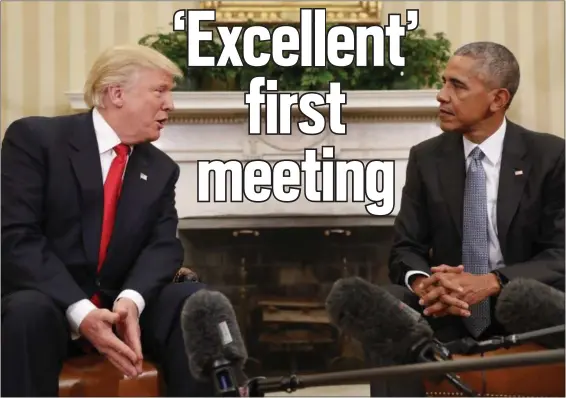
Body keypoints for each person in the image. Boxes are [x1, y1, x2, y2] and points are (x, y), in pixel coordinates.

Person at [1, 45, 214, 397]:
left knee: (195, 301)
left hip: (120, 310)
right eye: (160, 91)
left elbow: (163, 247)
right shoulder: (36, 140)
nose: (170, 105)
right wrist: (81, 311)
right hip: (51, 303)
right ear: (116, 94)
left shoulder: (160, 169)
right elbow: (16, 237)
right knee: (28, 312)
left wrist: (132, 300)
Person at [369, 41, 565, 396]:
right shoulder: (426, 158)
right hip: (449, 309)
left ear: (498, 99)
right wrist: (423, 285)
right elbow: (406, 247)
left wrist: (492, 282)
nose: (441, 96)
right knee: (389, 303)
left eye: (457, 86)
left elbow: (560, 255)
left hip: (521, 307)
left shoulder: (550, 156)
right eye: (444, 82)